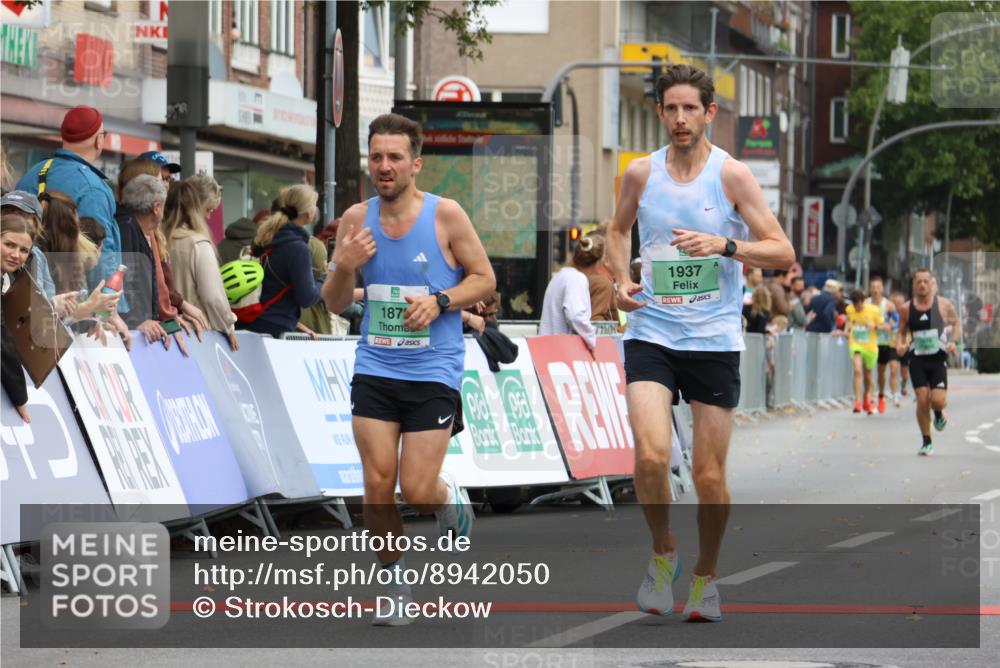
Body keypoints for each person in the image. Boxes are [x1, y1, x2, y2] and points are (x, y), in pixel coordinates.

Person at [607, 64, 794, 623]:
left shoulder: (731, 176)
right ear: (660, 112)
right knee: (650, 454)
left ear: (709, 113)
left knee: (710, 477)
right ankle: (663, 553)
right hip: (653, 331)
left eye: (691, 108)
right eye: (671, 108)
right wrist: (619, 282)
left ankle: (706, 578)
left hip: (713, 338)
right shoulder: (640, 174)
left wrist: (725, 245)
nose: (681, 118)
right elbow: (617, 232)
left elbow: (781, 251)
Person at [321, 113, 496, 626]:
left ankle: (448, 497)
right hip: (376, 363)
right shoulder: (356, 220)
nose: (384, 166)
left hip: (433, 369)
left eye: (395, 157)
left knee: (417, 489)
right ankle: (395, 584)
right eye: (376, 156)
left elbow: (483, 280)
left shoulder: (446, 216)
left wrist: (442, 300)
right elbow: (332, 304)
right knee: (377, 483)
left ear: (415, 164)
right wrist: (344, 264)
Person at [16, 106, 121, 293]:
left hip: (22, 291)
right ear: (99, 140)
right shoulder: (93, 188)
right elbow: (102, 255)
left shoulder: (33, 173)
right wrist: (109, 308)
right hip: (71, 302)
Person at [238, 185, 327, 339]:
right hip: (274, 330)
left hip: (250, 321)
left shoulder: (265, 237)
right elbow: (307, 298)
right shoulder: (298, 249)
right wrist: (326, 278)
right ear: (308, 213)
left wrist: (295, 324)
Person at [163, 179, 239, 350]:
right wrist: (228, 326)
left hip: (167, 330)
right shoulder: (198, 244)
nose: (209, 216)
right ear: (195, 207)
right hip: (197, 334)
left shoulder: (159, 239)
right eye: (208, 209)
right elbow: (213, 297)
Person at [896, 268, 961, 456]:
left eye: (926, 281)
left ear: (932, 284)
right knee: (922, 399)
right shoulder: (906, 308)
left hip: (937, 358)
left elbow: (956, 324)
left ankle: (939, 413)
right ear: (914, 285)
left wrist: (953, 342)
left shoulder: (943, 305)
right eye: (919, 282)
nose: (922, 285)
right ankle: (926, 440)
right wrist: (900, 344)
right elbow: (901, 331)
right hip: (917, 358)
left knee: (938, 401)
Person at [538, 236, 601, 350]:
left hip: (548, 349)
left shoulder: (561, 275)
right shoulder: (577, 278)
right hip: (563, 351)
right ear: (597, 262)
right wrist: (592, 338)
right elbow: (575, 315)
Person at [839, 289, 881, 414]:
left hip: (870, 346)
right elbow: (848, 321)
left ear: (864, 302)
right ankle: (857, 401)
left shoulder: (873, 310)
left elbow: (884, 326)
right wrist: (846, 330)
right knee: (857, 370)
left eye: (860, 305)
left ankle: (867, 397)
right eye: (855, 305)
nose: (857, 308)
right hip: (856, 344)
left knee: (868, 375)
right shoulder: (850, 309)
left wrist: (874, 326)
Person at [867, 276, 900, 411]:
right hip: (871, 342)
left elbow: (898, 321)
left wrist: (890, 327)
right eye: (873, 287)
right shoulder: (866, 304)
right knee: (870, 372)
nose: (875, 290)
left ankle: (885, 395)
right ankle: (872, 397)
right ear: (870, 289)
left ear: (882, 289)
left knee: (886, 370)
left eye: (878, 287)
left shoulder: (888, 305)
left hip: (886, 342)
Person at [889, 290, 911, 396]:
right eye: (895, 303)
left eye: (900, 302)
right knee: (893, 369)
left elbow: (910, 333)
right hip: (893, 346)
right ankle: (894, 393)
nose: (897, 305)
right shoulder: (889, 317)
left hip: (904, 347)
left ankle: (903, 385)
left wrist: (906, 345)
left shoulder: (908, 317)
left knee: (904, 373)